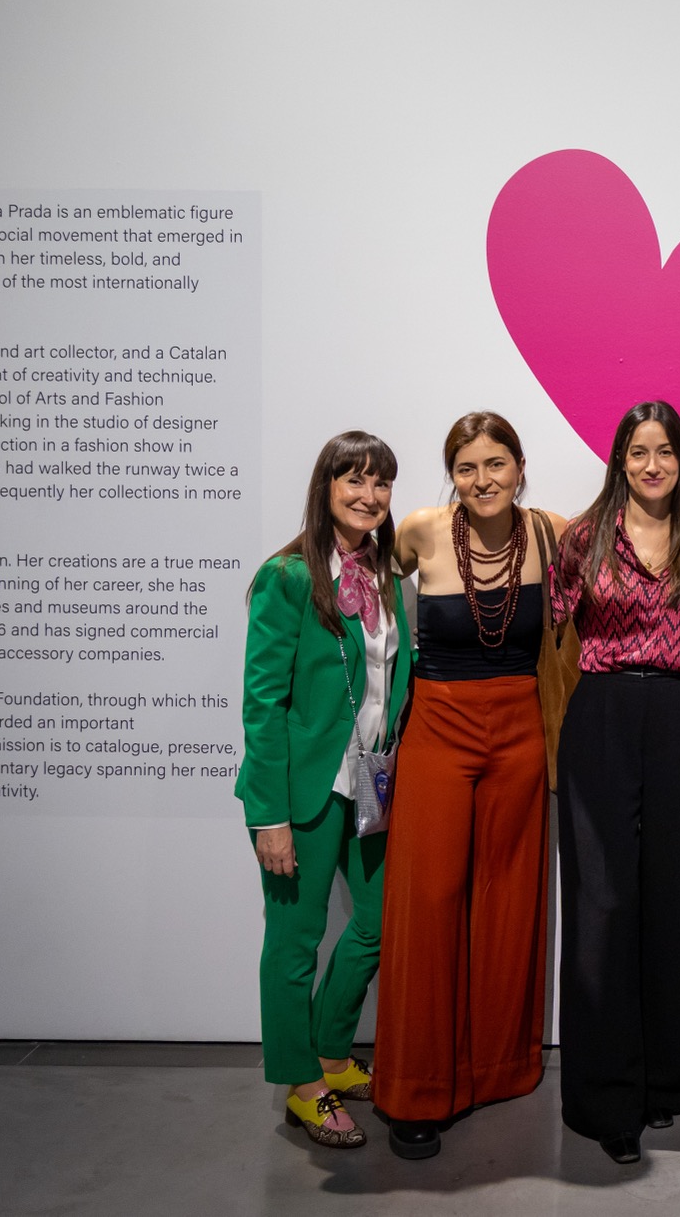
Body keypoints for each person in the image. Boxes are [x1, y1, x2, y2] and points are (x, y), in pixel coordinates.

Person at [549, 401, 680, 1165]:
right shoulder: (583, 537)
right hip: (601, 717)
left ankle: (667, 1080)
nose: (652, 464)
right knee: (601, 906)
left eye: (664, 451)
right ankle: (605, 1099)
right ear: (620, 461)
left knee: (677, 897)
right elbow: (548, 623)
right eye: (638, 451)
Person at [371, 412, 567, 1160]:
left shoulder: (548, 532)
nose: (482, 480)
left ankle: (496, 1068)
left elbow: (630, 530)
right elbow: (357, 582)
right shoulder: (421, 531)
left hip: (521, 728)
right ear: (451, 475)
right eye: (466, 467)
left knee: (509, 896)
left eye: (496, 464)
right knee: (428, 899)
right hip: (437, 727)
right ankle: (415, 1089)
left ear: (520, 466)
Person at [237, 431, 415, 1151]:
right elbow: (263, 704)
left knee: (377, 923)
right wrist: (268, 817)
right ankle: (302, 1085)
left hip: (370, 783)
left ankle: (332, 1052)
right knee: (294, 942)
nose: (369, 495)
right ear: (326, 487)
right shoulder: (286, 577)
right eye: (354, 480)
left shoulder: (387, 577)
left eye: (381, 483)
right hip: (303, 792)